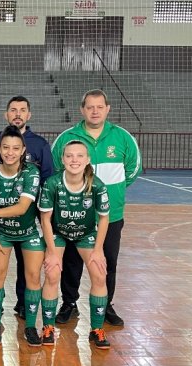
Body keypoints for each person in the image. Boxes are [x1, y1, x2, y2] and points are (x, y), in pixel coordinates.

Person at [51, 89, 142, 327]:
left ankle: (106, 305)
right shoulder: (68, 137)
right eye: (89, 107)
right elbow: (55, 171)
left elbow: (133, 170)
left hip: (110, 216)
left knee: (106, 261)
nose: (94, 111)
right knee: (71, 262)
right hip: (74, 215)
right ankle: (69, 304)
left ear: (107, 109)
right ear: (82, 109)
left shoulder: (122, 137)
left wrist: (114, 190)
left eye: (99, 107)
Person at [0, 125, 45, 346]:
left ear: (23, 150)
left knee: (33, 277)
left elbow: (22, 207)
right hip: (2, 232)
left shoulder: (31, 172)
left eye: (15, 148)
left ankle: (31, 327)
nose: (10, 152)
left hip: (28, 232)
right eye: (6, 148)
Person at [39, 140, 112, 349]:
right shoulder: (53, 183)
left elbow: (104, 218)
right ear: (62, 159)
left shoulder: (97, 185)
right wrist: (52, 252)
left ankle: (96, 329)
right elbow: (45, 219)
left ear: (88, 160)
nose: (74, 160)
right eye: (69, 155)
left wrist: (98, 251)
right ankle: (48, 327)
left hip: (86, 233)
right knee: (52, 272)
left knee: (99, 273)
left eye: (80, 156)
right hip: (58, 233)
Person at [0, 96, 54, 320]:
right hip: (2, 227)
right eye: (13, 110)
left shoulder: (39, 148)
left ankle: (27, 314)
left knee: (31, 273)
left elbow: (46, 181)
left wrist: (42, 210)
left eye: (22, 110)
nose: (10, 151)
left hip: (28, 223)